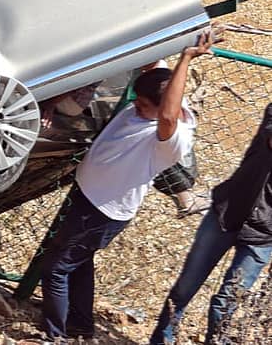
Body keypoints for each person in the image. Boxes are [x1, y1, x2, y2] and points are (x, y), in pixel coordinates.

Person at [39, 30, 215, 341]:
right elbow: (152, 66)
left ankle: (54, 335)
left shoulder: (171, 139)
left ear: (161, 109)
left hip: (102, 211)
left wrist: (187, 59)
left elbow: (169, 116)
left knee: (55, 269)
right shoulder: (158, 92)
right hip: (90, 197)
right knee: (78, 264)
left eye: (143, 106)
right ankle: (79, 323)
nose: (135, 107)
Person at [150, 103, 272, 345]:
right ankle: (161, 340)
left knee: (226, 303)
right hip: (227, 212)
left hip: (264, 232)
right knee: (184, 289)